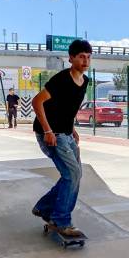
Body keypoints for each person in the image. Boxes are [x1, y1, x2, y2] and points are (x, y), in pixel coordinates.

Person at [31, 40, 92, 237]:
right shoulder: (61, 79)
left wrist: (72, 128)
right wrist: (48, 131)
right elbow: (37, 102)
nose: (85, 60)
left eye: (88, 57)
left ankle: (44, 207)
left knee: (74, 175)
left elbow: (68, 107)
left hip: (66, 133)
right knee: (72, 174)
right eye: (81, 56)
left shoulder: (85, 82)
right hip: (51, 134)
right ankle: (61, 219)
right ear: (71, 58)